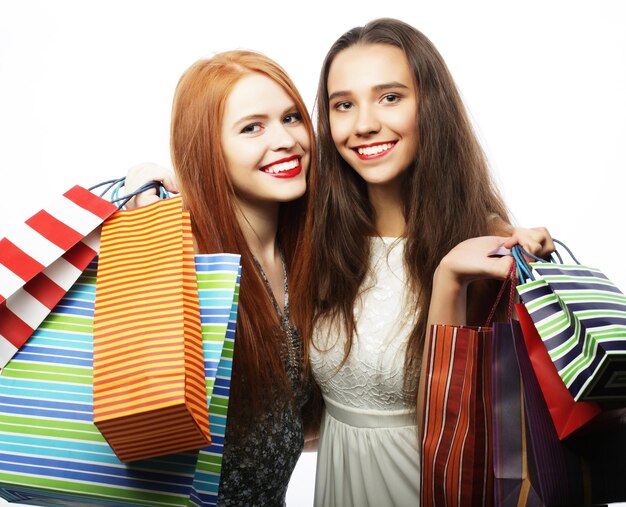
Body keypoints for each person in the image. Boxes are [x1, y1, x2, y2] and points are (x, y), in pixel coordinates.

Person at [298, 18, 554, 506]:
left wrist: (449, 278)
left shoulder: (483, 243)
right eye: (343, 105)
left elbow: (456, 420)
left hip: (432, 491)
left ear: (429, 106)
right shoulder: (321, 236)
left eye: (390, 97)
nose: (364, 123)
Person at [128, 50, 315, 506]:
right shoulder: (189, 254)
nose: (285, 139)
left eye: (291, 117)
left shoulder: (309, 253)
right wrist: (139, 191)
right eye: (253, 127)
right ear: (207, 147)